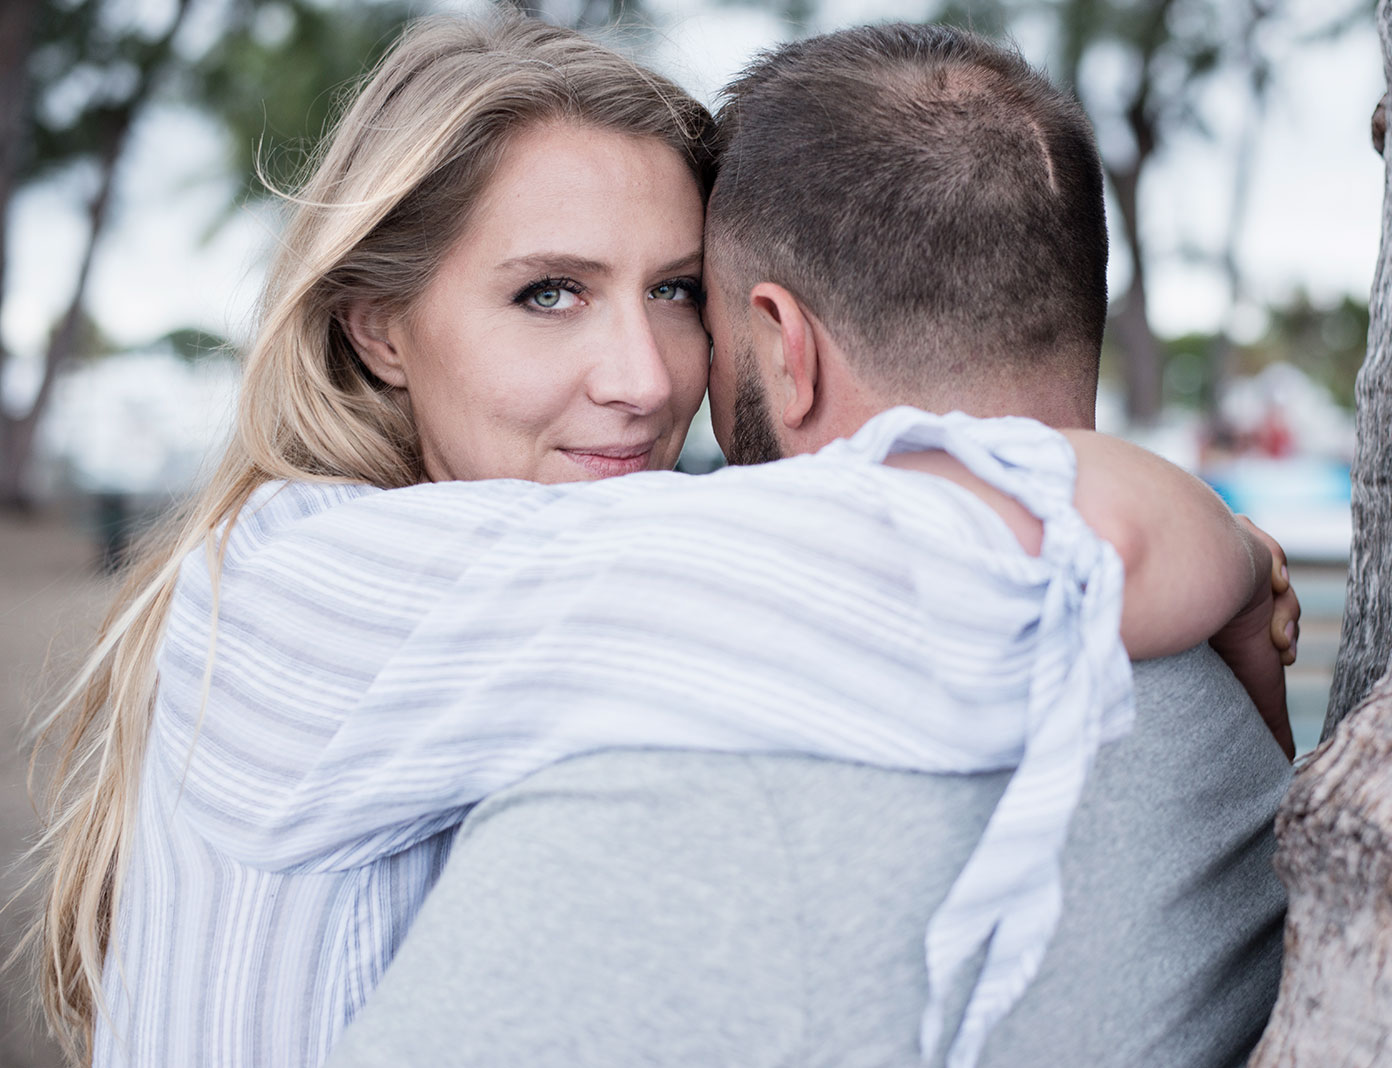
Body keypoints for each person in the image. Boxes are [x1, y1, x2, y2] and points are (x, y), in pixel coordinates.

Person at [31, 13, 1290, 1068]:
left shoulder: (584, 555)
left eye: (677, 293)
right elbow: (1002, 562)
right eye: (549, 293)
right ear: (378, 330)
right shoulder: (299, 580)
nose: (641, 379)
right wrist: (1229, 557)